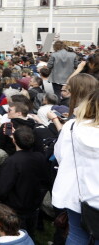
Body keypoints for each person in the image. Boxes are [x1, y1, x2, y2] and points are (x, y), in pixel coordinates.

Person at [52, 88, 99, 245]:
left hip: (78, 197)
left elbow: (60, 156)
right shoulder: (72, 126)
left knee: (77, 236)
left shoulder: (72, 127)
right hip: (80, 198)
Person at [0, 127, 48, 235]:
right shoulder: (40, 157)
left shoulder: (12, 161)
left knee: (16, 234)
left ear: (13, 141)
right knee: (30, 233)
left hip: (16, 208)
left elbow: (2, 188)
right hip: (34, 204)